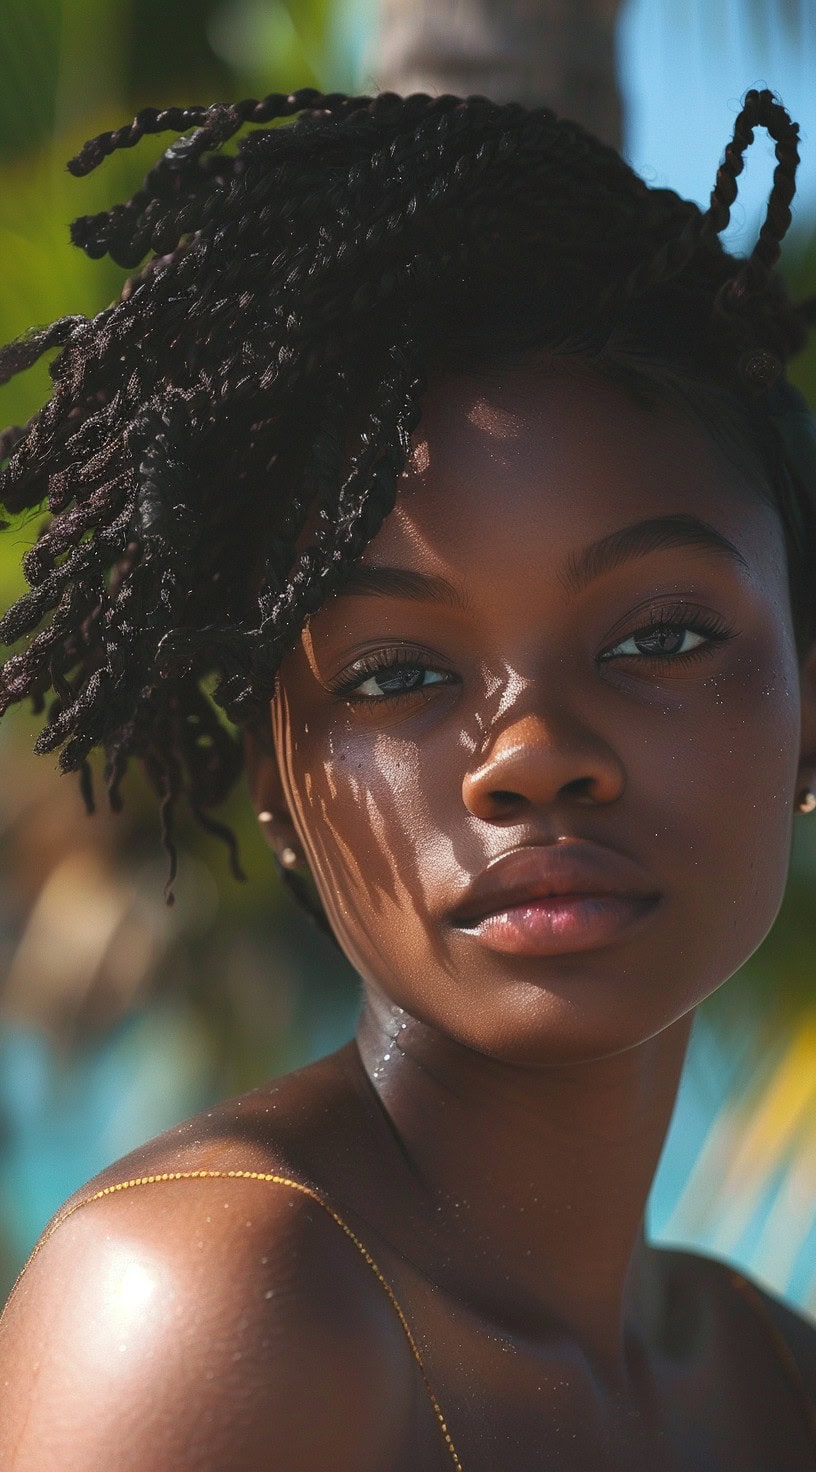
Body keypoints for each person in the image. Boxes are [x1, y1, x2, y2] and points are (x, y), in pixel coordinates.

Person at [0, 81, 814, 1471]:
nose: (533, 755)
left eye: (660, 637)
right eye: (395, 676)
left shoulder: (770, 1378)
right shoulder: (207, 1309)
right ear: (277, 773)